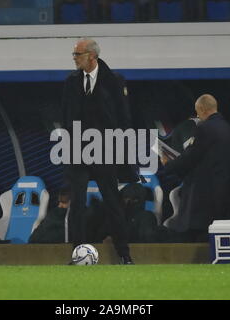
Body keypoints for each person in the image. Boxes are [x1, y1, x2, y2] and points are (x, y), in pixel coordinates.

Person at [61, 38, 135, 264]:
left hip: (106, 151)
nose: (74, 59)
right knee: (77, 206)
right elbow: (66, 118)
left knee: (113, 203)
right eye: (74, 55)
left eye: (78, 55)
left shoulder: (114, 80)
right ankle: (78, 255)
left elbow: (124, 118)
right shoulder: (71, 82)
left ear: (92, 56)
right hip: (78, 152)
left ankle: (124, 255)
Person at [161, 94, 230, 242]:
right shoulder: (228, 128)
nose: (197, 116)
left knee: (198, 233)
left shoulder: (205, 128)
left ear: (202, 109)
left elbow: (191, 156)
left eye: (198, 112)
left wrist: (168, 164)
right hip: (225, 189)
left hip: (206, 192)